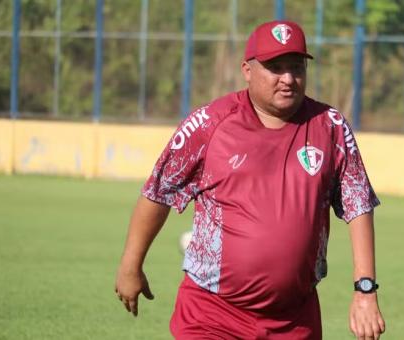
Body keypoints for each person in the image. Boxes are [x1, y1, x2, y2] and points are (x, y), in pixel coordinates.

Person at [115, 19, 386, 339]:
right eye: (275, 68)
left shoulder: (331, 126)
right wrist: (131, 265)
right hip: (211, 314)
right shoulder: (209, 123)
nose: (288, 79)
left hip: (294, 319)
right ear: (247, 70)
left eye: (296, 68)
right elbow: (158, 193)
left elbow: (358, 205)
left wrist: (365, 290)